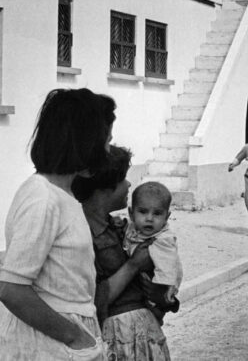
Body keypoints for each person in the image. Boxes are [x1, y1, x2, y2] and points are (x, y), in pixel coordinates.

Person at [0, 88, 114, 359]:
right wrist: (74, 336)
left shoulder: (61, 194)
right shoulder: (43, 198)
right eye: (106, 140)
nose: (108, 148)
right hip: (47, 344)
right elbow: (12, 289)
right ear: (85, 142)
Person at [75, 146, 172, 360]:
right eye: (123, 179)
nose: (128, 185)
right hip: (117, 336)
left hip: (144, 332)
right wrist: (134, 265)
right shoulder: (80, 234)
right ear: (105, 187)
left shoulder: (122, 228)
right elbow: (92, 298)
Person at [124, 182, 182, 320]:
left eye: (157, 213)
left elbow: (166, 269)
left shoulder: (163, 239)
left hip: (157, 286)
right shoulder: (133, 228)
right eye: (143, 212)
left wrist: (160, 296)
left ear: (166, 217)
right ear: (131, 214)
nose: (149, 218)